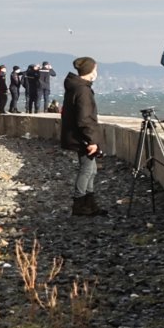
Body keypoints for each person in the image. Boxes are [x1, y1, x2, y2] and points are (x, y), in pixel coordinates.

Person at [60, 55, 103, 216]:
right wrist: (91, 140)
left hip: (79, 135)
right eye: (95, 69)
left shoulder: (76, 86)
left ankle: (89, 204)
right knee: (86, 169)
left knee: (92, 170)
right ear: (90, 70)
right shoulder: (82, 90)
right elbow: (84, 118)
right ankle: (80, 204)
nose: (96, 72)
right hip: (82, 137)